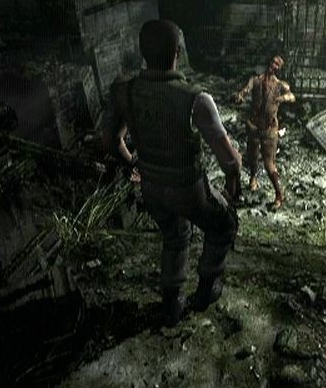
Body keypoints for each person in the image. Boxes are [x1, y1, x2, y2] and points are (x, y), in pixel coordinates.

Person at [103, 19, 242, 327]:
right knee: (224, 225)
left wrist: (133, 163)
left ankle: (171, 305)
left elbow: (111, 141)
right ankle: (205, 290)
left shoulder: (124, 91)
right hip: (187, 187)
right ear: (178, 51)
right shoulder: (195, 98)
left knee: (174, 237)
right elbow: (229, 161)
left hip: (151, 186)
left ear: (142, 52)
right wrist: (234, 182)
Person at [234, 55, 296, 210]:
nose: (274, 65)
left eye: (277, 64)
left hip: (269, 129)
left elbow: (292, 96)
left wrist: (283, 98)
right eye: (273, 62)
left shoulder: (280, 85)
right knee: (253, 155)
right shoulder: (255, 80)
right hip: (254, 126)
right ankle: (253, 178)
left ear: (279, 68)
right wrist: (239, 97)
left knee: (269, 164)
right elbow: (245, 91)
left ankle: (279, 195)